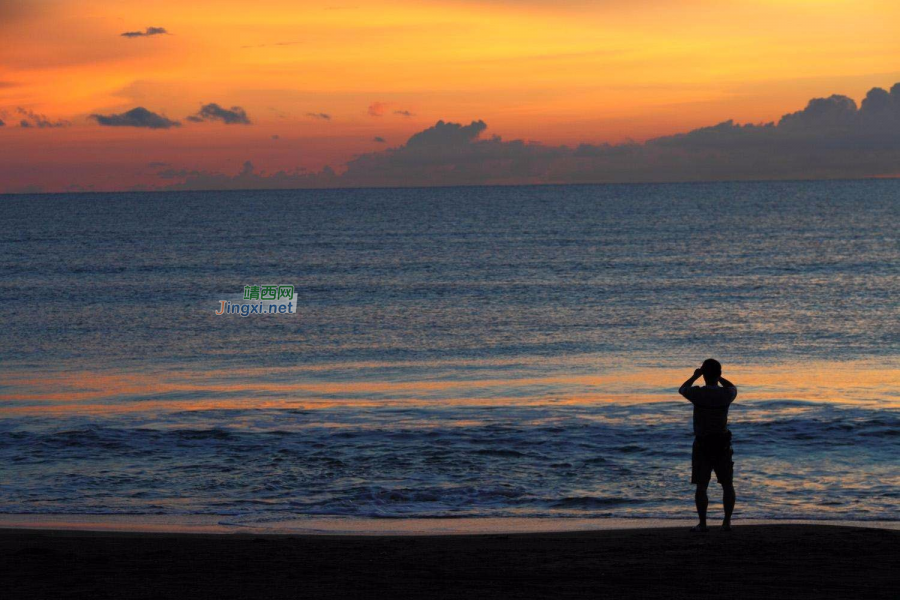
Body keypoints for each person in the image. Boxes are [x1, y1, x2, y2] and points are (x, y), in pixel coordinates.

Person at [679, 359, 737, 532]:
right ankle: (726, 522)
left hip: (703, 443)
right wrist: (720, 378)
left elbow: (682, 389)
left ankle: (703, 523)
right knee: (727, 484)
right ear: (718, 374)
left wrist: (695, 376)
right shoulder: (725, 394)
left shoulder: (698, 394)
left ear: (704, 374)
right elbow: (733, 387)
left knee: (702, 485)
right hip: (722, 443)